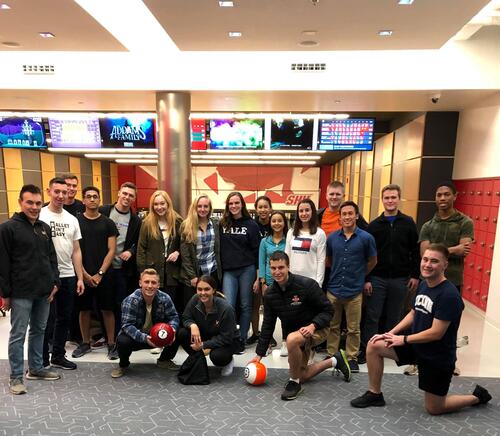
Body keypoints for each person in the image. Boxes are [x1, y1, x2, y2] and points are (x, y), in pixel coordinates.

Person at [350, 244, 492, 414]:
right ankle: (374, 393)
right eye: (425, 259)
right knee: (374, 345)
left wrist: (403, 339)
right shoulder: (424, 285)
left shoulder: (449, 295)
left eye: (434, 261)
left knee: (434, 408)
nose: (427, 264)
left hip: (437, 355)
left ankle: (477, 397)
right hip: (416, 345)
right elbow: (414, 312)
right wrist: (392, 333)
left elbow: (436, 332)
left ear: (445, 265)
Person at [250, 251, 351, 401]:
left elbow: (328, 310)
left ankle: (294, 384)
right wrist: (259, 355)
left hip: (318, 328)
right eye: (273, 268)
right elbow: (268, 325)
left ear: (288, 267)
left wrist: (313, 325)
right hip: (296, 337)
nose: (277, 272)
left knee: (291, 341)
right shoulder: (270, 294)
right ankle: (335, 360)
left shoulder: (306, 285)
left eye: (281, 267)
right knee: (301, 374)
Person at [0, 184, 61, 395]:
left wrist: (55, 283)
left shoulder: (44, 227)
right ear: (20, 202)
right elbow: (3, 264)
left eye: (37, 203)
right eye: (29, 203)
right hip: (20, 293)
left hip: (44, 291)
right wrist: (5, 294)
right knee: (18, 334)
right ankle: (16, 377)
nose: (34, 207)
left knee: (39, 330)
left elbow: (52, 258)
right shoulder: (8, 228)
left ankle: (36, 368)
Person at [413, 181, 474, 377]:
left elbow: (464, 250)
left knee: (449, 324)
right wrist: (450, 250)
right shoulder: (428, 225)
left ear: (454, 196)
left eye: (446, 194)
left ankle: (450, 361)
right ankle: (417, 360)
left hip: (452, 281)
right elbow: (424, 251)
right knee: (423, 318)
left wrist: (438, 252)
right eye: (439, 195)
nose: (442, 198)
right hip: (430, 281)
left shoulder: (464, 222)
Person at [361, 184, 420, 364]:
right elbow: (368, 256)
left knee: (394, 316)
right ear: (382, 200)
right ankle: (367, 348)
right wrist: (367, 279)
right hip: (377, 278)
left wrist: (415, 275)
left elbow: (415, 251)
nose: (390, 201)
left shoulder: (408, 223)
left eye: (393, 197)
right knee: (373, 315)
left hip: (400, 278)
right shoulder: (374, 226)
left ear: (399, 199)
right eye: (387, 198)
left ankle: (389, 348)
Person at [325, 201, 377, 373]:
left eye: (350, 213)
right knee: (333, 325)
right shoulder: (332, 238)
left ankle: (351, 357)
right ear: (339, 217)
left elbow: (372, 261)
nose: (347, 217)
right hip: (333, 289)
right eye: (344, 214)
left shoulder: (366, 238)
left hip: (354, 291)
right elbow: (329, 260)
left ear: (356, 215)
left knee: (354, 328)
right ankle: (332, 355)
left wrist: (361, 275)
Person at [40, 177, 85, 371]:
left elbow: (76, 250)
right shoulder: (40, 215)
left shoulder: (72, 219)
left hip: (68, 275)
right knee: (45, 320)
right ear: (48, 191)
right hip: (46, 276)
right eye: (56, 191)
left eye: (64, 192)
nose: (60, 195)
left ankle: (58, 355)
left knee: (64, 318)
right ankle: (41, 360)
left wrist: (80, 277)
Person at [73, 186, 119, 360]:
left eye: (95, 197)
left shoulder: (108, 223)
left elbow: (111, 250)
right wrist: (83, 274)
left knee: (107, 309)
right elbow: (74, 250)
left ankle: (111, 343)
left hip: (105, 276)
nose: (92, 199)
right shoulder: (76, 222)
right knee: (84, 310)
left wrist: (100, 273)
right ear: (83, 200)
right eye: (88, 197)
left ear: (99, 200)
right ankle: (85, 343)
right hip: (81, 275)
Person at [111, 268, 180, 378]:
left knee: (179, 331)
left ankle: (164, 360)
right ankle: (123, 365)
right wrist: (146, 339)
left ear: (158, 285)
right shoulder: (131, 300)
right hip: (138, 337)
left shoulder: (165, 298)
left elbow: (174, 317)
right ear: (140, 283)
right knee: (122, 340)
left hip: (159, 337)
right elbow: (127, 325)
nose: (150, 286)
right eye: (146, 282)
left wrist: (172, 329)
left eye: (153, 282)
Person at [219, 191, 261, 351]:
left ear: (242, 204)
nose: (234, 206)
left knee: (245, 305)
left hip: (247, 269)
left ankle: (241, 339)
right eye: (231, 203)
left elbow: (257, 251)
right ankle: (230, 337)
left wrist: (258, 277)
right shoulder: (222, 223)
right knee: (228, 305)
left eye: (237, 203)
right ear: (227, 206)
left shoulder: (251, 225)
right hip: (229, 271)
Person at [100, 182, 142, 335]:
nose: (127, 197)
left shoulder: (136, 220)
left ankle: (119, 335)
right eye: (124, 193)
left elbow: (138, 243)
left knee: (121, 304)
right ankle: (107, 337)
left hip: (122, 269)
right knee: (103, 305)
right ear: (118, 193)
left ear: (134, 199)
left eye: (131, 195)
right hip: (103, 268)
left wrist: (131, 251)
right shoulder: (104, 211)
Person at [178, 275, 240, 377]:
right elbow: (185, 317)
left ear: (214, 290)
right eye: (199, 289)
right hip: (206, 334)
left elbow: (226, 337)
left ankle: (228, 361)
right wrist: (192, 325)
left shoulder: (226, 308)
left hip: (228, 341)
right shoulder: (194, 299)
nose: (203, 293)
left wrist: (203, 345)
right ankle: (198, 360)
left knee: (217, 357)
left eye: (207, 289)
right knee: (182, 333)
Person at [137, 190, 183, 311]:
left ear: (168, 204)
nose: (159, 207)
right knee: (153, 308)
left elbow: (185, 245)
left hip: (172, 274)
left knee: (170, 307)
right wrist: (143, 274)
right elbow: (141, 249)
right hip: (153, 273)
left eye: (162, 203)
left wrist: (178, 252)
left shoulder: (178, 221)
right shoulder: (147, 223)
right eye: (156, 204)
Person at [179, 194, 222, 309]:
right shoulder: (186, 225)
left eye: (205, 206)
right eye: (199, 206)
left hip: (212, 270)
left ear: (210, 208)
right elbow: (185, 255)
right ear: (194, 207)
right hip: (193, 274)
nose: (202, 209)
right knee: (192, 307)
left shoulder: (216, 223)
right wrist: (192, 276)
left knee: (211, 306)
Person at [258, 210, 288, 356]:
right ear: (270, 223)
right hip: (270, 283)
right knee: (268, 315)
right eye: (274, 221)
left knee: (286, 314)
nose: (277, 223)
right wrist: (263, 282)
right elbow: (262, 262)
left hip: (285, 283)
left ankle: (285, 342)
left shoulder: (289, 239)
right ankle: (268, 343)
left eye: (279, 220)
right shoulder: (265, 241)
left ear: (284, 223)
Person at [247, 195, 273, 346]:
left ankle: (267, 334)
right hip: (256, 269)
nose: (263, 210)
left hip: (273, 271)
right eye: (260, 207)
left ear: (270, 208)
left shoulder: (276, 222)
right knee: (255, 304)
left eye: (265, 207)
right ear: (256, 209)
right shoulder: (252, 225)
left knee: (271, 305)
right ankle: (255, 333)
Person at [285, 198, 326, 287]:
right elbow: (287, 257)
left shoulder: (320, 233)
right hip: (293, 280)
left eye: (307, 210)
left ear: (313, 212)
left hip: (311, 282)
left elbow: (321, 260)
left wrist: (318, 283)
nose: (304, 214)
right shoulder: (291, 232)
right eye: (301, 211)